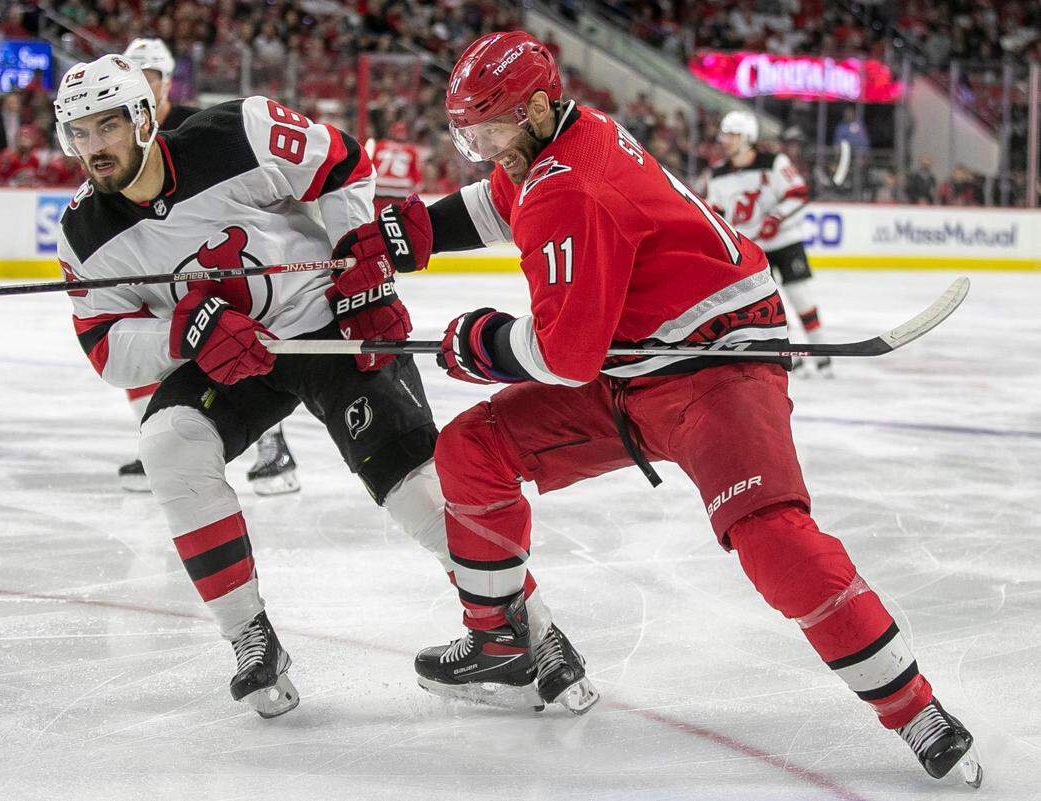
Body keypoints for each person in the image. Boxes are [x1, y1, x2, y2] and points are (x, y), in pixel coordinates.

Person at [331, 31, 982, 785]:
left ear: (538, 107)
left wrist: (477, 339)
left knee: (768, 534)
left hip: (714, 367)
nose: (484, 151)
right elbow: (495, 200)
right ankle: (500, 643)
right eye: (469, 136)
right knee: (472, 451)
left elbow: (564, 353)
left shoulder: (567, 186)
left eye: (492, 132)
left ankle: (914, 705)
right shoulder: (560, 136)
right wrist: (408, 233)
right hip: (637, 361)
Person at [51, 54, 585, 718]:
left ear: (140, 120)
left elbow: (342, 164)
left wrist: (359, 265)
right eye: (78, 133)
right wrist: (183, 336)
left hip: (328, 319)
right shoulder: (82, 232)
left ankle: (540, 635)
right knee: (168, 443)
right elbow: (107, 348)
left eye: (105, 126)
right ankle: (250, 637)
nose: (92, 147)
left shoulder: (237, 130)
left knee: (415, 488)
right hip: (235, 356)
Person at [118, 36, 299, 495]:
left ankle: (273, 449)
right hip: (156, 261)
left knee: (242, 343)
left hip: (209, 256)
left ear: (165, 82)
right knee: (152, 346)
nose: (142, 83)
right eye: (134, 75)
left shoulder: (191, 125)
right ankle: (157, 441)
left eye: (150, 75)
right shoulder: (119, 136)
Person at [706, 110, 832, 376]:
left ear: (748, 137)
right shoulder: (717, 175)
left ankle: (821, 355)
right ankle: (788, 354)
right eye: (725, 134)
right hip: (753, 248)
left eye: (733, 134)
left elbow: (797, 194)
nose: (726, 140)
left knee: (799, 296)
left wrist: (776, 217)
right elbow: (716, 213)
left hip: (785, 241)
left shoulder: (774, 162)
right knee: (768, 305)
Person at [366, 119, 422, 212]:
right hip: (401, 190)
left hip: (379, 188)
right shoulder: (411, 150)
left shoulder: (379, 146)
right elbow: (415, 172)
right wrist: (417, 184)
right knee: (397, 219)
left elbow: (371, 165)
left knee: (377, 218)